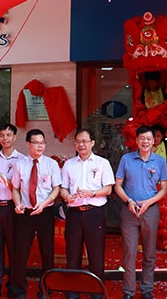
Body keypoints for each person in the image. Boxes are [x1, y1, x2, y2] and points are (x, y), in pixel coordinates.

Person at [114, 125, 167, 299]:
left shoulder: (160, 161)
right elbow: (117, 186)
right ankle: (128, 292)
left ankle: (146, 291)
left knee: (149, 253)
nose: (145, 142)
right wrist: (128, 201)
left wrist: (148, 202)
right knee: (129, 253)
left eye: (149, 139)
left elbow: (164, 188)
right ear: (136, 141)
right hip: (129, 211)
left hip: (150, 211)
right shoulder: (126, 159)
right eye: (142, 138)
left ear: (154, 141)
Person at [60, 128, 115, 299]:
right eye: (78, 141)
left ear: (92, 143)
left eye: (84, 141)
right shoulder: (69, 164)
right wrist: (67, 196)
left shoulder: (102, 163)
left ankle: (96, 292)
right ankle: (72, 293)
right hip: (74, 214)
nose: (81, 144)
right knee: (73, 254)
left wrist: (92, 193)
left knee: (96, 255)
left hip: (94, 213)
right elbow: (63, 188)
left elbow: (108, 188)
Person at [11, 129, 61, 299]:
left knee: (47, 253)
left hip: (45, 213)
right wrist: (17, 204)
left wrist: (45, 203)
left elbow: (56, 189)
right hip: (25, 214)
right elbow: (15, 188)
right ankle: (18, 290)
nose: (40, 146)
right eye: (36, 143)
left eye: (42, 143)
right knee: (20, 253)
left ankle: (46, 289)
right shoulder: (20, 164)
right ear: (28, 144)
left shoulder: (51, 164)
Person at [0, 123, 26, 298]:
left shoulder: (22, 160)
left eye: (8, 135)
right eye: (2, 135)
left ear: (15, 137)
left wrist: (8, 183)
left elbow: (24, 186)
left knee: (15, 250)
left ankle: (15, 288)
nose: (5, 138)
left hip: (13, 208)